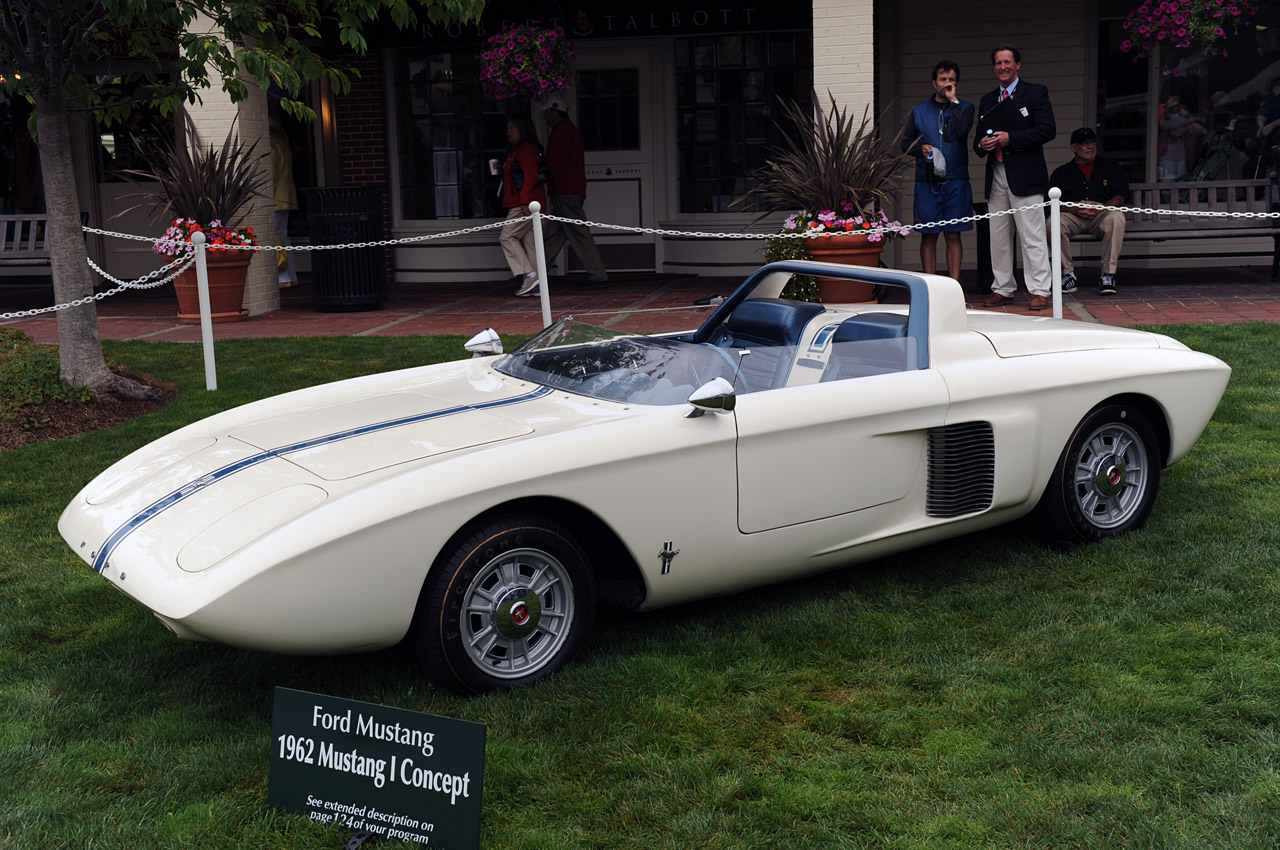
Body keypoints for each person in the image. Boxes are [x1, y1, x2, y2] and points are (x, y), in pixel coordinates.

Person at [974, 43, 1057, 310]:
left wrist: (1012, 138)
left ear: (1017, 65)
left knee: (1032, 235)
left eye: (1007, 62)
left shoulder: (1034, 92)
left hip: (1025, 175)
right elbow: (978, 138)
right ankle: (1003, 288)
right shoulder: (988, 99)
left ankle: (1040, 290)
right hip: (996, 173)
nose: (1003, 67)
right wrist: (982, 144)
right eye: (998, 63)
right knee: (998, 237)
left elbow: (1048, 130)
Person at [901, 59, 975, 280]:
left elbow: (962, 130)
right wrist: (920, 149)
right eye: (943, 79)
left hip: (956, 180)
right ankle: (931, 287)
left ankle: (954, 286)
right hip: (927, 180)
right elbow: (905, 143)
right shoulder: (919, 110)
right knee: (929, 235)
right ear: (934, 83)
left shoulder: (965, 107)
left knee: (953, 235)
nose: (947, 83)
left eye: (951, 79)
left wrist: (954, 101)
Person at [1049, 128, 1130, 297]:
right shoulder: (1062, 173)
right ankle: (1067, 274)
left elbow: (1120, 197)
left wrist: (1102, 207)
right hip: (1073, 215)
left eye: (1093, 143)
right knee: (1053, 223)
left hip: (1102, 213)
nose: (1090, 146)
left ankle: (1108, 275)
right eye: (1085, 144)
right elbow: (1051, 203)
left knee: (1117, 217)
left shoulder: (1110, 167)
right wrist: (1074, 208)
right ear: (1073, 148)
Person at [540, 96, 608, 286]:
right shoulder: (567, 131)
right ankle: (537, 274)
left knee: (578, 234)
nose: (545, 116)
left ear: (555, 112)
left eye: (548, 112)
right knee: (554, 234)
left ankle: (598, 275)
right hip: (566, 190)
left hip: (565, 190)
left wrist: (540, 175)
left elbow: (553, 163)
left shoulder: (562, 133)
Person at [499, 115, 548, 298]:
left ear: (522, 129)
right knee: (531, 242)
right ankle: (537, 283)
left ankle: (529, 274)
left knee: (507, 236)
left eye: (513, 127)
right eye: (508, 128)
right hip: (528, 202)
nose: (509, 131)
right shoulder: (519, 150)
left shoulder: (526, 149)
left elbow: (531, 175)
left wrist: (525, 201)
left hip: (524, 203)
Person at [269, 114, 299, 287]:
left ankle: (283, 278)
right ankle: (290, 276)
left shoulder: (271, 144)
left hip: (274, 198)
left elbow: (271, 175)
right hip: (285, 197)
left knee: (276, 237)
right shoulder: (283, 144)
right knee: (283, 237)